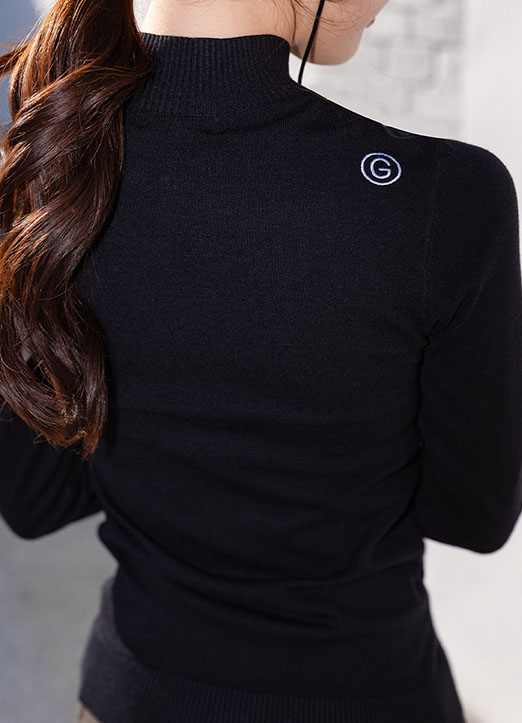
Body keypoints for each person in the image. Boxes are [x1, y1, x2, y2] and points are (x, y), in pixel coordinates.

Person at [0, 0, 521, 721]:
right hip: (371, 693)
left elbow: (36, 498)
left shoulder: (46, 174)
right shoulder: (447, 195)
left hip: (132, 695)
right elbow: (474, 517)